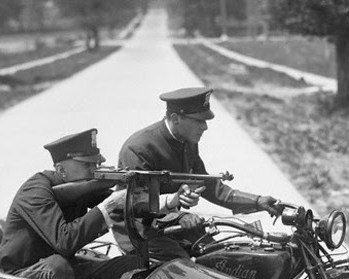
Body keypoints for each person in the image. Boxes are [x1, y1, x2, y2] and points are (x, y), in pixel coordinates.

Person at [117, 87, 284, 261]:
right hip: (138, 232)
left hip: (172, 224)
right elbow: (137, 203)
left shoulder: (186, 140)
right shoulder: (139, 148)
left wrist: (257, 201)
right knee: (187, 270)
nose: (205, 127)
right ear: (176, 119)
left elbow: (208, 183)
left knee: (224, 257)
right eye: (199, 121)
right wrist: (178, 212)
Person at [0, 129, 141, 279]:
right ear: (61, 170)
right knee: (56, 266)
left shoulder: (81, 185)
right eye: (87, 165)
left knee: (132, 265)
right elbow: (65, 242)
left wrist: (158, 201)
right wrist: (109, 205)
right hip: (19, 275)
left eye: (96, 164)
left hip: (65, 268)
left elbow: (124, 207)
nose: (94, 171)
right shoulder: (34, 192)